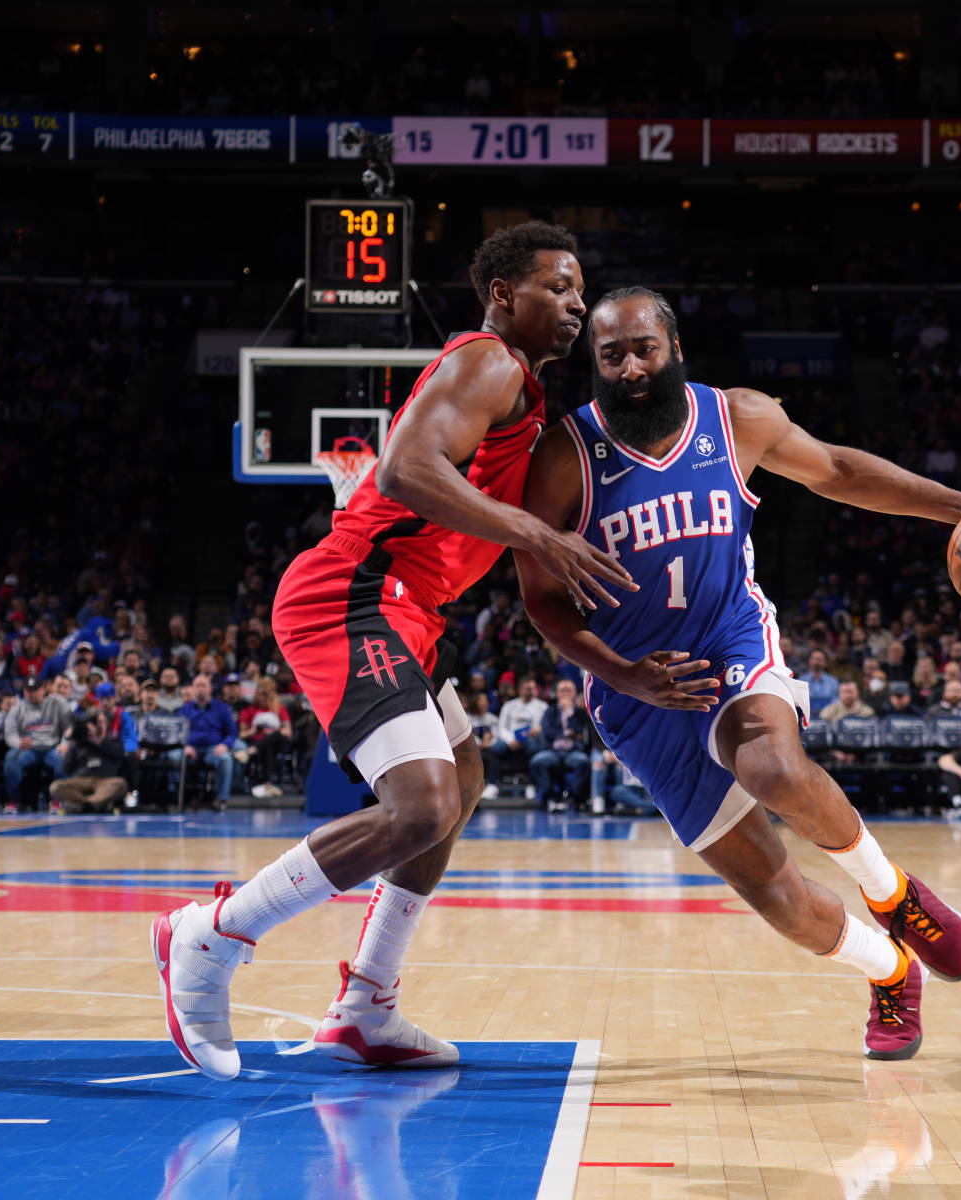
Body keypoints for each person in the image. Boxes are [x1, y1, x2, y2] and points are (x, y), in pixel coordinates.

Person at [155, 222, 628, 1079]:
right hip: (354, 593)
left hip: (412, 612)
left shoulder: (525, 399)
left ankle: (367, 1003)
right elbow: (406, 471)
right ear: (502, 295)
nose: (575, 303)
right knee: (419, 805)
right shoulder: (488, 361)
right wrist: (534, 529)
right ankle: (211, 934)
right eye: (557, 287)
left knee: (463, 779)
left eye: (579, 289)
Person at [515, 286, 961, 1060]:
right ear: (595, 364)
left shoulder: (736, 417)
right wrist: (626, 675)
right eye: (612, 355)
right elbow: (541, 602)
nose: (631, 367)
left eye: (644, 349)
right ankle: (890, 970)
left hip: (728, 635)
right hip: (635, 691)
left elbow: (838, 470)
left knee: (772, 764)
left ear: (674, 347)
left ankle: (895, 897)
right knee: (780, 901)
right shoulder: (565, 456)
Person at [51, 682, 136, 814]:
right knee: (56, 786)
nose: (106, 703)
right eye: (96, 723)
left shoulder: (113, 739)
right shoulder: (80, 741)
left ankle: (81, 804)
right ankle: (94, 804)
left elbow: (123, 752)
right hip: (80, 781)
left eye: (102, 722)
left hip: (105, 782)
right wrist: (72, 743)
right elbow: (66, 767)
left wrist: (99, 742)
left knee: (120, 784)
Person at [1, 674, 71, 813]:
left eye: (35, 690)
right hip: (29, 749)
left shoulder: (57, 702)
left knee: (63, 759)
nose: (32, 694)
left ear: (43, 689)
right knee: (11, 758)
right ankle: (14, 801)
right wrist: (17, 743)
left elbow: (70, 727)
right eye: (28, 690)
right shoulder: (19, 707)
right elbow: (9, 731)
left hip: (52, 747)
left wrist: (64, 743)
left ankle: (57, 801)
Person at [528, 678, 594, 812]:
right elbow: (547, 732)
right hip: (553, 750)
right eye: (562, 690)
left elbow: (583, 734)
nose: (565, 693)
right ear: (557, 693)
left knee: (583, 762)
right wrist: (568, 733)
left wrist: (570, 714)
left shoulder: (580, 712)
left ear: (574, 693)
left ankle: (575, 798)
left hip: (573, 750)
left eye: (568, 690)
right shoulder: (550, 711)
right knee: (537, 762)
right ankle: (551, 797)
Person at [177, 673, 240, 810]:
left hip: (214, 749)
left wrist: (224, 745)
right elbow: (178, 733)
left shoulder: (222, 708)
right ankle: (178, 797)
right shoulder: (184, 710)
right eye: (197, 686)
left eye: (203, 686)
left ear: (210, 688)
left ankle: (221, 799)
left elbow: (232, 732)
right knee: (174, 756)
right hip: (190, 748)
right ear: (192, 689)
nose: (200, 689)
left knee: (226, 759)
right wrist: (185, 746)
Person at [238, 676, 295, 799]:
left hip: (278, 743)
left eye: (267, 695)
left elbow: (288, 732)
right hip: (259, 742)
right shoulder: (248, 711)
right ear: (256, 694)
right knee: (267, 746)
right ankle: (267, 785)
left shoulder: (280, 709)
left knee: (274, 736)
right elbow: (242, 734)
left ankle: (248, 752)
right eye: (262, 694)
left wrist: (272, 733)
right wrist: (253, 731)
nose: (264, 698)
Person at [493, 676, 547, 786]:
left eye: (533, 688)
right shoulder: (509, 706)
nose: (531, 691)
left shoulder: (543, 706)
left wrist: (538, 729)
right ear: (520, 690)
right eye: (528, 689)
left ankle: (532, 784)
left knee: (534, 749)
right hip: (511, 738)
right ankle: (492, 784)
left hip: (531, 738)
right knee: (495, 749)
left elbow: (544, 726)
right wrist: (511, 740)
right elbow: (502, 727)